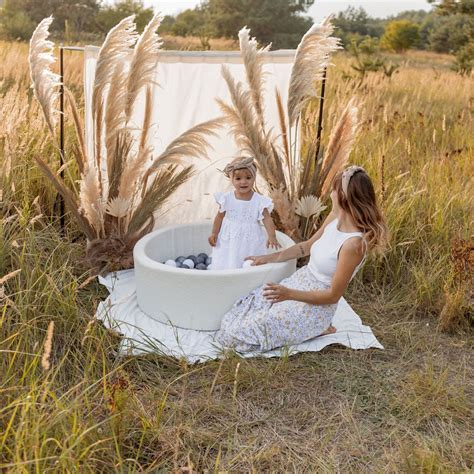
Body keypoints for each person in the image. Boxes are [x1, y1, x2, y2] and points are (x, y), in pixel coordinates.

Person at [215, 165, 389, 352]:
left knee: (234, 337)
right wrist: (267, 258)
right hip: (301, 281)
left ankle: (317, 327)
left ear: (343, 197)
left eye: (334, 190)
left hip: (315, 305)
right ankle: (305, 328)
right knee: (236, 315)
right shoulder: (335, 217)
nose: (330, 195)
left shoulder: (353, 245)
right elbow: (306, 247)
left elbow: (333, 296)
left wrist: (288, 294)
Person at [208, 157, 280, 270]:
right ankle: (227, 276)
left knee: (249, 261)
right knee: (228, 259)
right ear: (231, 179)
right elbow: (219, 217)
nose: (243, 182)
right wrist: (214, 233)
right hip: (231, 237)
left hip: (250, 239)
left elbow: (267, 219)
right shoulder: (226, 198)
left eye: (248, 177)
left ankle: (249, 277)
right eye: (238, 178)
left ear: (254, 178)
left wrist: (272, 236)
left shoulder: (259, 201)